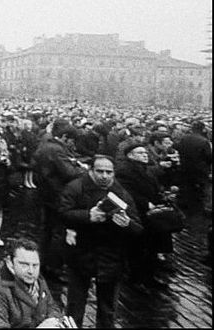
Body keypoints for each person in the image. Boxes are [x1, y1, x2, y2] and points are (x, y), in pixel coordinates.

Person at [59, 155, 143, 328]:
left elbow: (138, 228)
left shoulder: (121, 193)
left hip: (111, 257)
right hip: (81, 253)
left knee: (107, 310)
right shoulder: (76, 187)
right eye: (100, 171)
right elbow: (62, 213)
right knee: (75, 307)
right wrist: (87, 216)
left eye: (108, 172)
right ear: (91, 171)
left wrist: (127, 224)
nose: (104, 176)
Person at [33, 119, 86, 283]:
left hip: (46, 193)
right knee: (58, 233)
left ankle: (42, 263)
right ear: (65, 137)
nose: (72, 144)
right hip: (57, 195)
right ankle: (53, 267)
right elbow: (69, 173)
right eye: (71, 140)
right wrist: (82, 170)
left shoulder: (45, 144)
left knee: (47, 230)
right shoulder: (56, 149)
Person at [116, 142, 173, 290]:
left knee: (152, 246)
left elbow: (153, 188)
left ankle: (150, 276)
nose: (145, 155)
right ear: (130, 155)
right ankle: (137, 279)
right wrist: (145, 203)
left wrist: (162, 198)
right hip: (138, 213)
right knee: (138, 248)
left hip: (152, 214)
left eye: (145, 153)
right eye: (140, 153)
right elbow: (127, 192)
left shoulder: (146, 170)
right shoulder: (125, 171)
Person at [0, 238, 64, 328]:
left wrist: (53, 320)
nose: (31, 271)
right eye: (24, 264)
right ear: (10, 263)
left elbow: (51, 306)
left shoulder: (35, 278)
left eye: (35, 265)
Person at [175, 120, 212, 216]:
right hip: (200, 169)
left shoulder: (184, 138)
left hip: (185, 167)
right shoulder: (204, 141)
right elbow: (208, 157)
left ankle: (190, 207)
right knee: (204, 189)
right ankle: (207, 209)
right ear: (203, 129)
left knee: (188, 187)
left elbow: (179, 149)